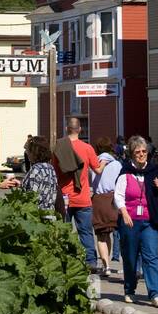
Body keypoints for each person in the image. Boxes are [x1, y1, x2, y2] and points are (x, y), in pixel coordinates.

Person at [114, 135, 158, 305]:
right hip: (130, 220)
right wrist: (124, 213)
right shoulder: (125, 172)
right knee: (130, 256)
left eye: (144, 151)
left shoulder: (154, 171)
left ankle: (155, 294)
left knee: (151, 256)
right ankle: (129, 289)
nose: (142, 154)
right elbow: (118, 196)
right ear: (131, 154)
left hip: (149, 221)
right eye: (138, 152)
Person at [52, 115, 107, 272]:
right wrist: (103, 163)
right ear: (80, 130)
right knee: (86, 232)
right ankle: (91, 262)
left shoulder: (59, 147)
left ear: (66, 128)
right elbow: (97, 170)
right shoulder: (87, 148)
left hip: (64, 197)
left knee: (64, 231)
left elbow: (55, 171)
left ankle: (65, 259)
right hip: (82, 197)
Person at [92, 136, 123, 276]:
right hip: (112, 199)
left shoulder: (95, 163)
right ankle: (109, 262)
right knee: (109, 233)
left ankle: (106, 266)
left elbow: (91, 182)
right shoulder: (117, 164)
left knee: (100, 235)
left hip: (98, 199)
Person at [17, 135, 58, 213]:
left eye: (28, 150)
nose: (27, 153)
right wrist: (21, 184)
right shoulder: (50, 167)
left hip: (37, 215)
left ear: (34, 152)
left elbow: (31, 197)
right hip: (50, 213)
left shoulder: (36, 169)